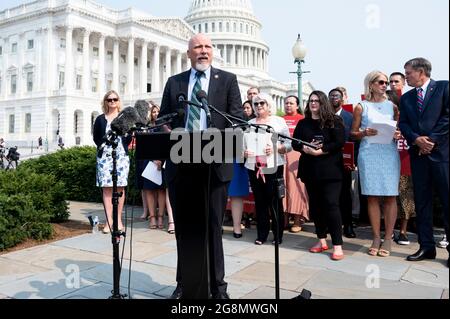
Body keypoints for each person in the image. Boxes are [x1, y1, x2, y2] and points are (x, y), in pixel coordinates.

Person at [159, 33, 242, 299]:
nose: (203, 51)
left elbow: (237, 118)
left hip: (214, 167)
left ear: (213, 52)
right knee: (184, 229)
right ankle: (184, 284)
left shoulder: (227, 81)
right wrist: (171, 130)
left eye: (207, 47)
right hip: (181, 166)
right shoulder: (175, 83)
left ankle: (218, 288)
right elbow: (163, 118)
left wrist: (216, 137)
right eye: (197, 47)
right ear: (189, 53)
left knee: (213, 227)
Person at [398, 57, 449, 266]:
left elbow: (448, 117)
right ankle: (426, 247)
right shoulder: (407, 97)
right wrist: (417, 139)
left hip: (442, 156)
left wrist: (431, 140)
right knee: (422, 202)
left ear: (421, 72)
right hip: (418, 157)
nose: (406, 76)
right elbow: (404, 123)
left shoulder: (444, 88)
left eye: (408, 72)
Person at [351, 71, 402, 258]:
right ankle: (375, 237)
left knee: (390, 196)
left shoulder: (393, 106)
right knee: (372, 196)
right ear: (371, 84)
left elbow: (397, 129)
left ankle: (388, 238)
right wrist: (364, 132)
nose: (384, 85)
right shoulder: (361, 106)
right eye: (381, 82)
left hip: (388, 152)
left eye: (386, 82)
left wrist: (397, 134)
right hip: (368, 153)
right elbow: (352, 133)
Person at [293, 91, 346, 261]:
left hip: (331, 170)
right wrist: (305, 149)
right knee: (315, 206)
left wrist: (321, 151)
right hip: (310, 170)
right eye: (311, 100)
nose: (313, 103)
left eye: (317, 100)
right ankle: (321, 240)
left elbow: (339, 142)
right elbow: (295, 142)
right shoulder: (303, 123)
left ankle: (337, 245)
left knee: (331, 205)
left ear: (323, 103)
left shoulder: (334, 121)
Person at [244, 93, 292, 246]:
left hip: (273, 166)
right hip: (254, 167)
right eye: (256, 104)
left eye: (262, 103)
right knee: (260, 201)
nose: (259, 106)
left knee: (275, 200)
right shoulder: (249, 123)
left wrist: (276, 148)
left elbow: (289, 144)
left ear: (269, 105)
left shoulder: (278, 122)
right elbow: (241, 146)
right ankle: (262, 234)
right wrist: (243, 152)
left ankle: (278, 235)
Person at [93, 90, 131, 233]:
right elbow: (96, 137)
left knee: (120, 188)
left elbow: (128, 138)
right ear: (105, 102)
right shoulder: (100, 119)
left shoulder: (124, 118)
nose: (112, 102)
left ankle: (118, 220)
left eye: (115, 99)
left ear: (118, 101)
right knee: (107, 189)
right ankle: (109, 222)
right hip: (104, 157)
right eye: (109, 100)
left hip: (121, 156)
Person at [387, 87, 416, 246]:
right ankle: (389, 230)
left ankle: (403, 231)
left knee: (406, 198)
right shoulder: (382, 121)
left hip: (405, 163)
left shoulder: (406, 120)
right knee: (387, 199)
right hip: (388, 164)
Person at [329, 88, 356, 238]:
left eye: (337, 96)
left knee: (345, 195)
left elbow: (354, 140)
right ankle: (331, 224)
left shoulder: (350, 117)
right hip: (326, 162)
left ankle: (348, 225)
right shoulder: (323, 117)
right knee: (329, 195)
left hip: (344, 161)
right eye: (331, 95)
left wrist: (354, 160)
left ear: (342, 99)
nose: (334, 98)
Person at [282, 95, 309, 233]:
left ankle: (298, 219)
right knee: (283, 187)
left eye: (291, 103)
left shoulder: (302, 120)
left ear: (297, 106)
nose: (288, 105)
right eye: (286, 103)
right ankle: (285, 218)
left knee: (297, 188)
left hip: (296, 157)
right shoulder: (280, 120)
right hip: (281, 156)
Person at [228, 101, 253, 238]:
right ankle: (216, 225)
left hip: (237, 158)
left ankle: (237, 227)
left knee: (236, 194)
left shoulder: (241, 116)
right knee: (216, 193)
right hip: (217, 156)